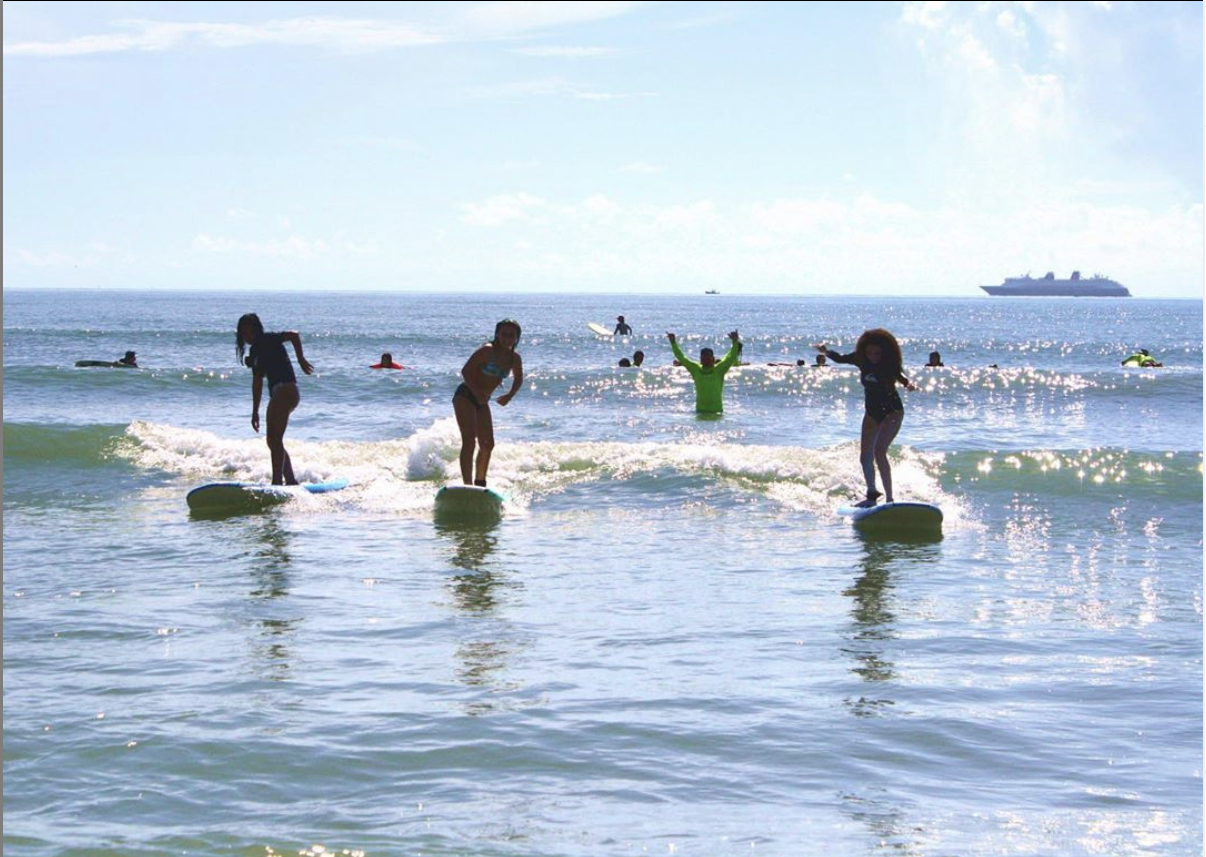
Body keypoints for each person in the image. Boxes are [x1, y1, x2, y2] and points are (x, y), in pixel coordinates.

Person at [816, 329, 916, 508]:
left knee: (879, 451)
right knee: (865, 457)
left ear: (884, 352)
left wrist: (909, 384)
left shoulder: (889, 364)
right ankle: (871, 495)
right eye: (870, 353)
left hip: (892, 411)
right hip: (872, 412)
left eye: (877, 353)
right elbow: (840, 359)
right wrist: (826, 351)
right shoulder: (860, 359)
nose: (873, 356)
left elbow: (901, 377)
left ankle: (890, 499)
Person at [236, 313, 315, 485]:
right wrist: (255, 411)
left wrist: (301, 359)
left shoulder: (269, 339)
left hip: (286, 389)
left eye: (249, 332)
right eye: (243, 333)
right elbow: (257, 383)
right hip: (278, 393)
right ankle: (291, 481)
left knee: (275, 439)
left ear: (256, 329)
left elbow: (294, 335)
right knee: (272, 441)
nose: (247, 336)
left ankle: (277, 482)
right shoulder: (254, 351)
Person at [453, 319, 524, 487]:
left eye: (511, 335)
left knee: (487, 444)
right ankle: (467, 485)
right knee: (469, 441)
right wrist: (477, 392)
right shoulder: (487, 350)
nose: (507, 338)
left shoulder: (514, 358)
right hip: (466, 395)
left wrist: (509, 395)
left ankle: (480, 483)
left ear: (517, 338)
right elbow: (465, 371)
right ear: (497, 334)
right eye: (504, 334)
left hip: (482, 401)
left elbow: (519, 378)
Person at [667, 330, 741, 413]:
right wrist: (673, 343)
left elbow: (731, 358)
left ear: (713, 359)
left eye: (708, 358)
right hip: (700, 412)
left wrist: (735, 342)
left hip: (716, 412)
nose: (706, 360)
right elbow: (681, 357)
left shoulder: (719, 369)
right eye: (704, 358)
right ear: (700, 359)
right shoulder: (695, 369)